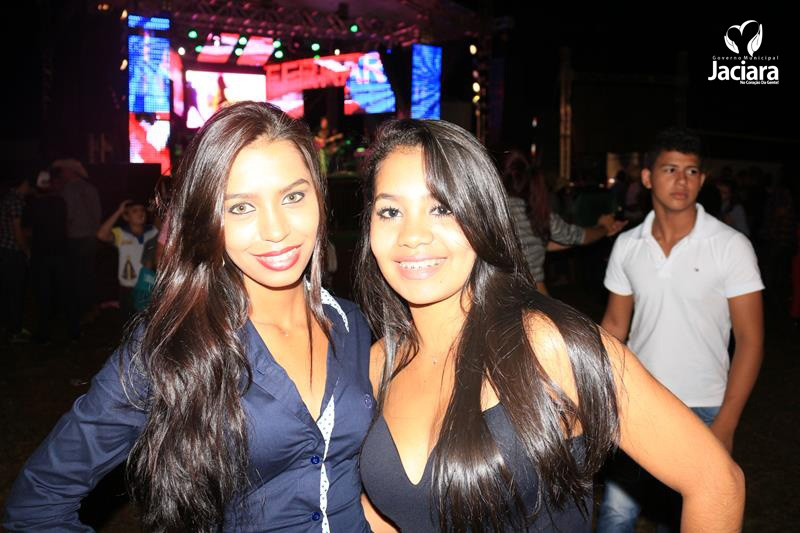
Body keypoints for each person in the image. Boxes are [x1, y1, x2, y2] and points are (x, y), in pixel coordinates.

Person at [355, 120, 744, 532]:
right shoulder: (377, 364)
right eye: (390, 211)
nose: (413, 235)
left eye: (442, 208)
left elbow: (716, 483)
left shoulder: (547, 346)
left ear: (482, 215)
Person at [3, 101, 374, 532]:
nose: (276, 230)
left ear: (319, 198)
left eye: (293, 196)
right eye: (241, 207)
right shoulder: (171, 343)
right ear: (208, 218)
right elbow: (37, 504)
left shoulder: (354, 325)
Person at [597, 128, 763, 532]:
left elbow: (750, 341)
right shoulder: (629, 245)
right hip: (639, 401)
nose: (682, 180)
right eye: (670, 169)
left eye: (691, 171)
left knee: (682, 519)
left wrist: (726, 423)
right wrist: (594, 392)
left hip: (704, 408)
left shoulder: (730, 245)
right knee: (616, 515)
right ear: (648, 177)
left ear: (702, 180)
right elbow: (615, 325)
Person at [502, 150, 626, 294]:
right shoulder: (536, 213)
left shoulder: (489, 213)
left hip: (497, 299)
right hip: (534, 298)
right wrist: (604, 228)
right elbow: (577, 236)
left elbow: (536, 243)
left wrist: (602, 229)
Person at [53, 158, 102, 336]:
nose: (61, 173)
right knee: (88, 274)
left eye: (63, 170)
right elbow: (98, 213)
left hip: (75, 238)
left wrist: (62, 236)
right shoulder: (90, 188)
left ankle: (82, 312)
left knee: (77, 276)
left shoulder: (68, 189)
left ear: (70, 171)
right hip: (90, 237)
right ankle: (92, 309)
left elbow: (68, 216)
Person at [96, 200, 159, 322]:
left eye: (142, 210)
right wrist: (119, 211)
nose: (140, 213)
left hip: (148, 286)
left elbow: (162, 230)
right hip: (128, 288)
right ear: (126, 217)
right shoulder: (122, 234)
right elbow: (101, 235)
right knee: (128, 323)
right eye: (134, 211)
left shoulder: (151, 232)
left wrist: (154, 212)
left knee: (149, 322)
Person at [0, 175, 32, 343]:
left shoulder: (7, 198)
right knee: (15, 291)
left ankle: (8, 326)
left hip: (4, 249)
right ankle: (15, 330)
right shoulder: (16, 201)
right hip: (12, 251)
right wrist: (26, 251)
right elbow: (17, 230)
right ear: (23, 183)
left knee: (7, 290)